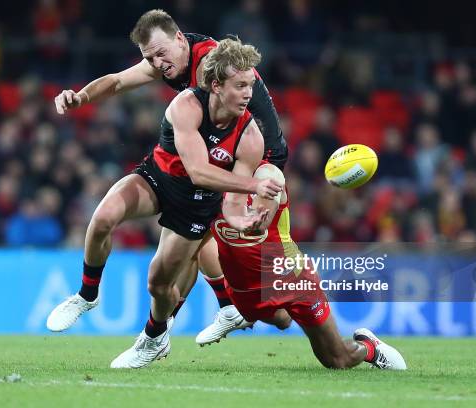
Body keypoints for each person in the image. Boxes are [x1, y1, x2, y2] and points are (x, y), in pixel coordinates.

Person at [49, 9, 288, 342]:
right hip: (212, 160)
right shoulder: (172, 60)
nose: (157, 63)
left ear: (179, 38)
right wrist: (82, 97)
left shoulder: (209, 69)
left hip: (258, 159)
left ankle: (186, 322)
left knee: (261, 299)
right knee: (190, 243)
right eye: (150, 58)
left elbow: (224, 110)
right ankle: (214, 309)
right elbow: (118, 81)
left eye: (161, 53)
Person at [205, 162, 407, 370]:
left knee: (336, 359)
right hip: (246, 287)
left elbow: (258, 225)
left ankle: (370, 348)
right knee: (282, 321)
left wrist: (244, 218)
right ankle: (237, 310)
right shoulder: (208, 179)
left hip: (291, 276)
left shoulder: (267, 176)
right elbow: (195, 240)